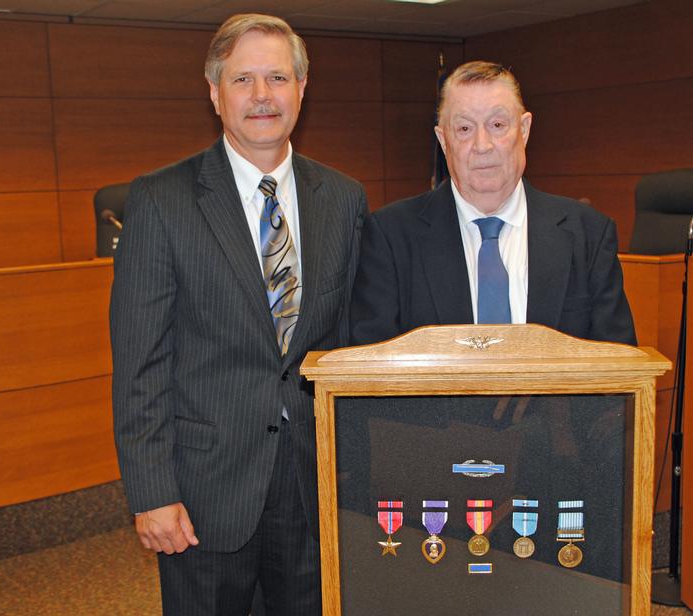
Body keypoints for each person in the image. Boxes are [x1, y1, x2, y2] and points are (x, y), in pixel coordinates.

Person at [110, 13, 367, 615]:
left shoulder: (345, 199)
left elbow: (351, 345)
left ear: (302, 88)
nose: (261, 96)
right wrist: (152, 492)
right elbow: (140, 362)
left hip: (313, 484)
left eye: (277, 77)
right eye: (242, 79)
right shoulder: (160, 200)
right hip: (204, 492)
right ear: (214, 92)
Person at [350, 60, 635, 346]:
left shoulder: (589, 235)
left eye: (497, 125)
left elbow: (621, 373)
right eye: (464, 129)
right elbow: (372, 374)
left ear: (524, 130)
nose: (482, 145)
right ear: (443, 140)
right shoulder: (390, 237)